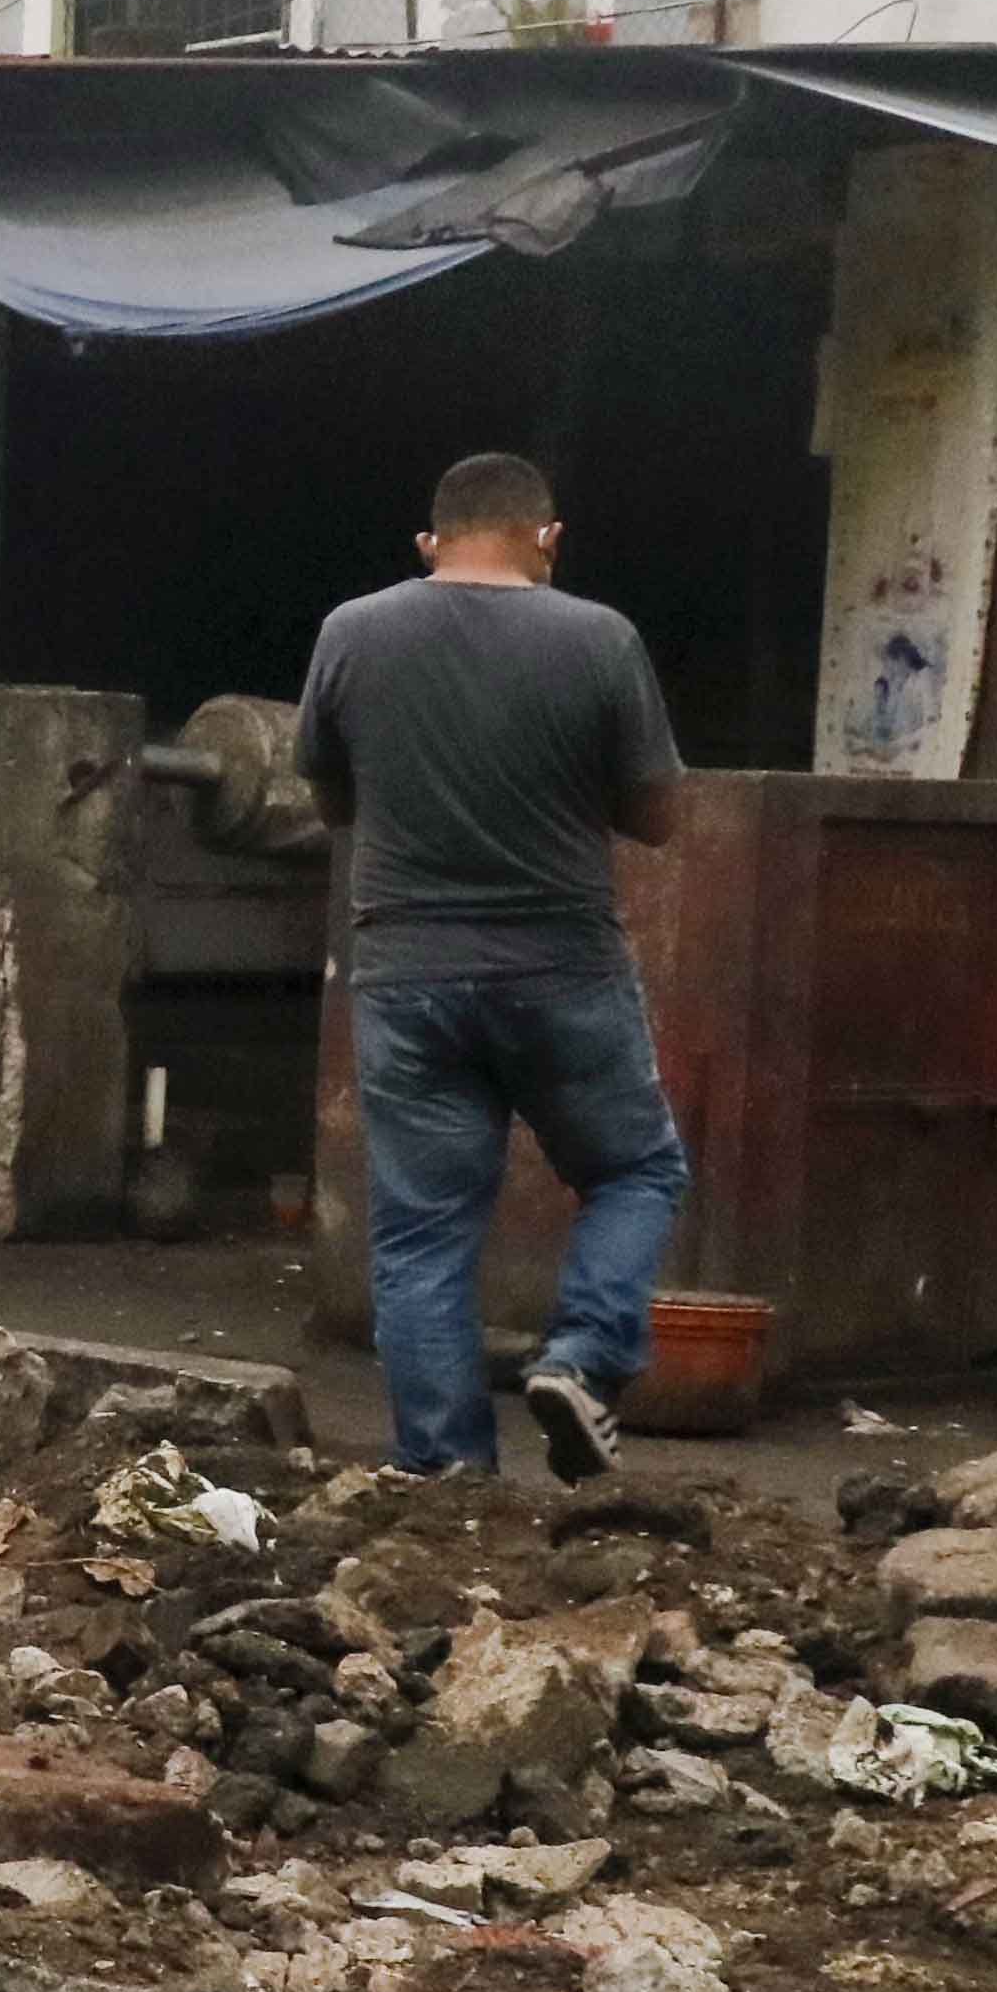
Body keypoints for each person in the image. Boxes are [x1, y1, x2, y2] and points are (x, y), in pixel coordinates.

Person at [304, 449, 694, 1481]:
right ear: (548, 537)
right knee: (634, 1169)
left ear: (428, 543)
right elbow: (658, 817)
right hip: (562, 967)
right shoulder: (600, 638)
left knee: (421, 1239)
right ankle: (583, 1357)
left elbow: (332, 799)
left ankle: (446, 1480)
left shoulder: (351, 631)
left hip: (407, 970)